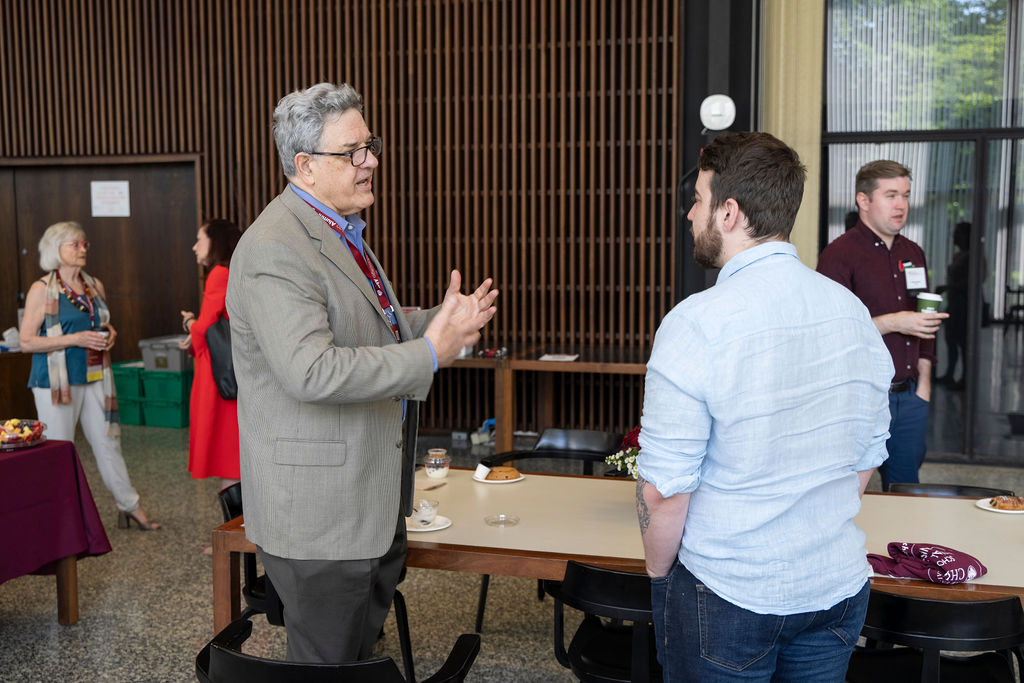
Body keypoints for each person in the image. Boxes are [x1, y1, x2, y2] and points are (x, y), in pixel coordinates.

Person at [226, 82, 498, 663]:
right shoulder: (275, 247)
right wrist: (430, 352)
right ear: (305, 167)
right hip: (320, 516)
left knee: (356, 658)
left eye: (369, 145)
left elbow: (369, 323)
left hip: (367, 500)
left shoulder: (340, 229)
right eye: (352, 152)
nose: (370, 160)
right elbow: (312, 370)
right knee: (328, 666)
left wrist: (437, 321)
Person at [635, 132, 892, 682]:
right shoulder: (852, 314)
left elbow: (664, 491)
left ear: (728, 213)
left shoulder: (695, 323)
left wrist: (660, 579)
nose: (689, 213)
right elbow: (867, 458)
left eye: (698, 200)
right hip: (836, 584)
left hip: (729, 590)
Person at [19, 221, 160, 530]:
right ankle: (56, 519)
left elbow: (101, 324)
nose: (83, 249)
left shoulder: (93, 284)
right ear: (56, 250)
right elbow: (26, 341)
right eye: (75, 245)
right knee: (58, 449)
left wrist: (109, 334)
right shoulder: (41, 289)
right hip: (56, 383)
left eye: (85, 245)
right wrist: (75, 339)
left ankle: (129, 505)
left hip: (96, 375)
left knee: (109, 443)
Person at [817, 160, 948, 489]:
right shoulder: (838, 255)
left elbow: (925, 324)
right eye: (891, 195)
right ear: (864, 200)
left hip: (909, 399)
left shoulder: (913, 252)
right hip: (857, 399)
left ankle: (900, 545)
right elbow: (829, 332)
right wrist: (893, 322)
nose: (901, 204)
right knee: (844, 493)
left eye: (905, 195)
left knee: (906, 491)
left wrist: (924, 386)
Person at [178, 219, 243, 487]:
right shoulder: (239, 271)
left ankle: (235, 523)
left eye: (199, 240)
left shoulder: (220, 274)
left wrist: (188, 323)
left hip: (218, 374)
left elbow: (204, 328)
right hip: (236, 365)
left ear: (214, 242)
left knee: (226, 451)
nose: (194, 247)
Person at [935, 221, 972, 389]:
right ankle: (950, 373)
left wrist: (948, 287)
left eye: (958, 233)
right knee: (951, 339)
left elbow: (971, 282)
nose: (954, 236)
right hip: (954, 302)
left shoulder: (972, 256)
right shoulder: (960, 255)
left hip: (963, 304)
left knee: (962, 341)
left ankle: (965, 377)